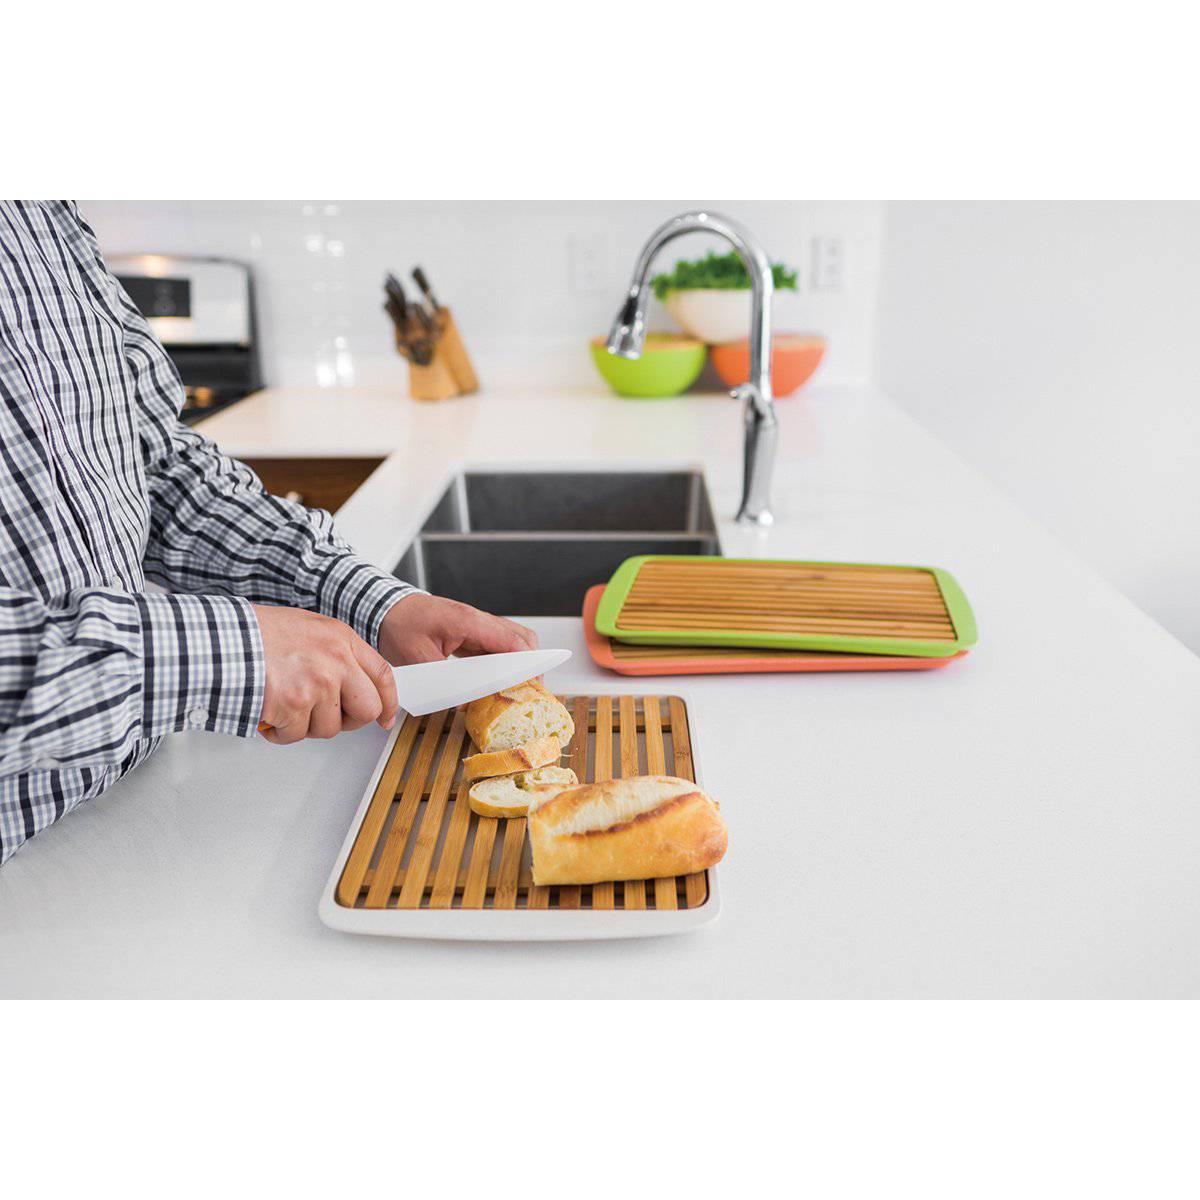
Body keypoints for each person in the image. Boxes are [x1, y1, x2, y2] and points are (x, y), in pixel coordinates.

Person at [0, 201, 535, 865]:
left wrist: (368, 600)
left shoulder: (35, 207)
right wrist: (228, 655)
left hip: (131, 825)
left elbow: (156, 467)